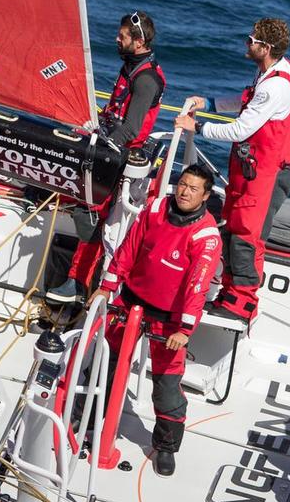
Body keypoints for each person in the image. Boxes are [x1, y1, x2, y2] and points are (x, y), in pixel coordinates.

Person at [88, 164, 221, 477]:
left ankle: (166, 445)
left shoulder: (207, 237)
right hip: (130, 301)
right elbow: (130, 247)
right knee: (106, 362)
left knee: (167, 387)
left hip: (169, 322)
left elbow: (198, 285)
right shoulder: (156, 208)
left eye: (193, 188)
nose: (185, 192)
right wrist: (106, 287)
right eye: (182, 184)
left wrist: (186, 329)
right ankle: (88, 416)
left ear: (205, 196)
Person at [175, 18, 290, 324]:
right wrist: (211, 104)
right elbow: (248, 102)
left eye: (251, 39)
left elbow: (241, 129)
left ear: (265, 48)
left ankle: (241, 301)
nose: (247, 43)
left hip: (267, 173)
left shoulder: (275, 86)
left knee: (245, 235)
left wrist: (197, 126)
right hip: (253, 170)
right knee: (237, 228)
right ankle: (233, 293)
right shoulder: (270, 72)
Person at [47, 10, 166, 303]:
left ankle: (78, 282)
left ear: (138, 41)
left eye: (123, 36)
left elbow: (132, 128)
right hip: (109, 147)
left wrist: (101, 150)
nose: (117, 38)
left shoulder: (145, 79)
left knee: (92, 216)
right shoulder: (131, 67)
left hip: (118, 158)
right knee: (86, 210)